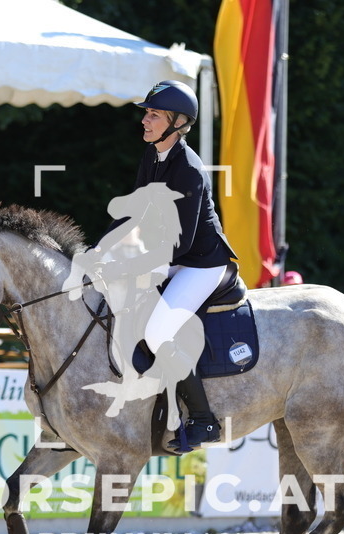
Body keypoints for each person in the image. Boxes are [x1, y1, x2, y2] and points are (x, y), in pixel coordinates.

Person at [111, 80, 238, 451]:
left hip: (201, 265)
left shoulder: (190, 170)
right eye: (146, 113)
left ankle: (203, 420)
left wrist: (136, 267)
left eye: (153, 115)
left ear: (178, 123)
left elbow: (179, 243)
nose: (145, 121)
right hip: (173, 259)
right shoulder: (152, 156)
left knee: (156, 332)